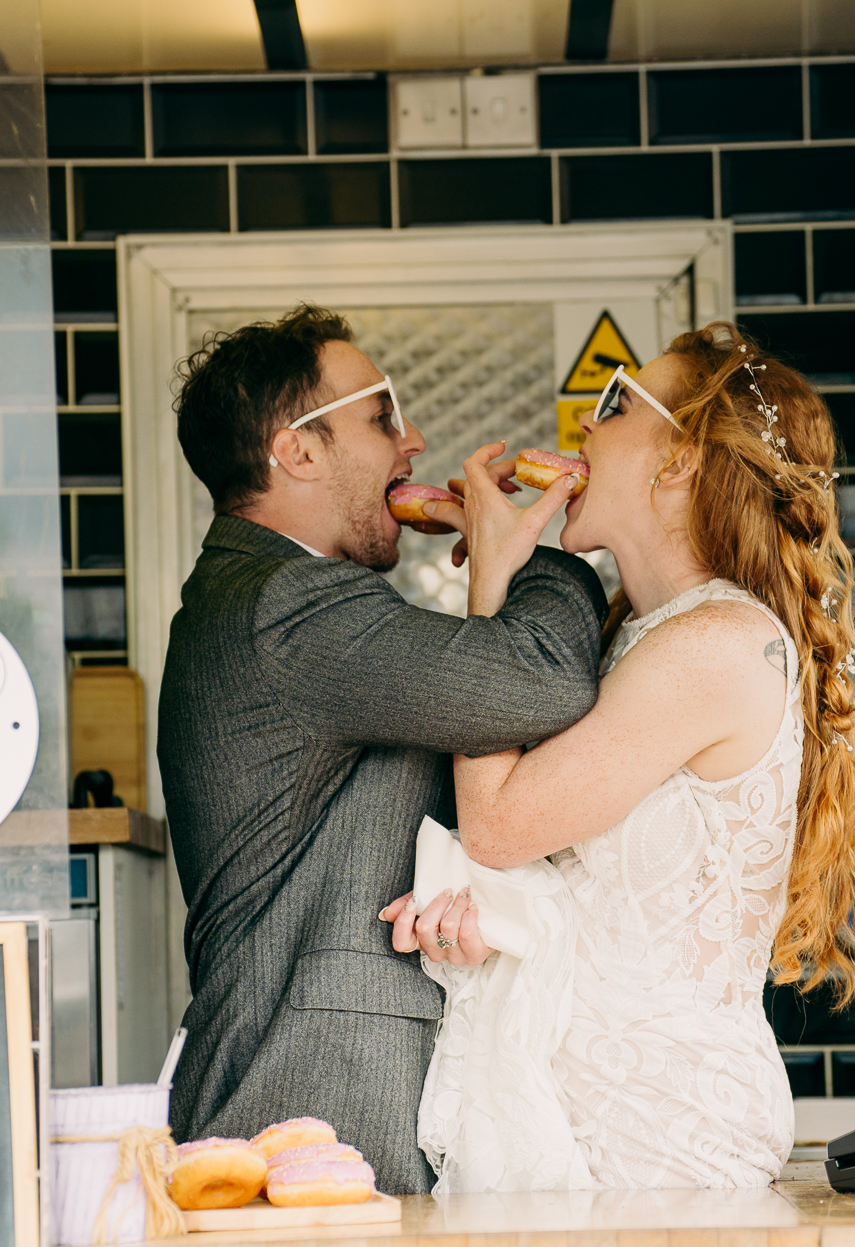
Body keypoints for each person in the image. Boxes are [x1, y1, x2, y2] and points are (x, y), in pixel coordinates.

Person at [384, 322, 855, 1190]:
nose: (583, 425)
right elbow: (580, 887)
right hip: (589, 1115)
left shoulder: (719, 645)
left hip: (661, 1127)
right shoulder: (640, 638)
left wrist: (493, 591)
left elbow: (499, 824)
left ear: (680, 461)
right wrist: (492, 926)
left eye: (616, 402)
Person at [157, 304, 606, 1194]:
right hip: (308, 1097)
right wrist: (532, 559)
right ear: (298, 451)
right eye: (381, 415)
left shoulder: (272, 596)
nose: (414, 440)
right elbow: (536, 679)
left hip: (306, 1093)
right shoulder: (288, 605)